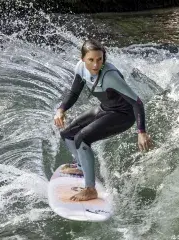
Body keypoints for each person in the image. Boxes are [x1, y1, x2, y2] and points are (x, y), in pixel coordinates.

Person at [54, 39, 152, 201]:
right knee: (67, 134)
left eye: (99, 59)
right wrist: (61, 109)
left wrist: (141, 132)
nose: (95, 65)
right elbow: (74, 93)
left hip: (123, 115)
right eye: (91, 60)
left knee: (82, 139)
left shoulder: (110, 76)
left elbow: (137, 102)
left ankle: (90, 189)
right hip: (105, 108)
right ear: (82, 58)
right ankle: (81, 167)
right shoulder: (80, 68)